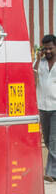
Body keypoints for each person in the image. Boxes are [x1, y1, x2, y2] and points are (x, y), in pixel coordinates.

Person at [34, 34, 56, 181]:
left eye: (50, 48)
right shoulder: (40, 63)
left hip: (55, 107)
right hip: (43, 106)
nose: (47, 51)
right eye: (45, 49)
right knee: (48, 141)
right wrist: (37, 58)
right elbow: (32, 74)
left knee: (54, 140)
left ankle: (51, 173)